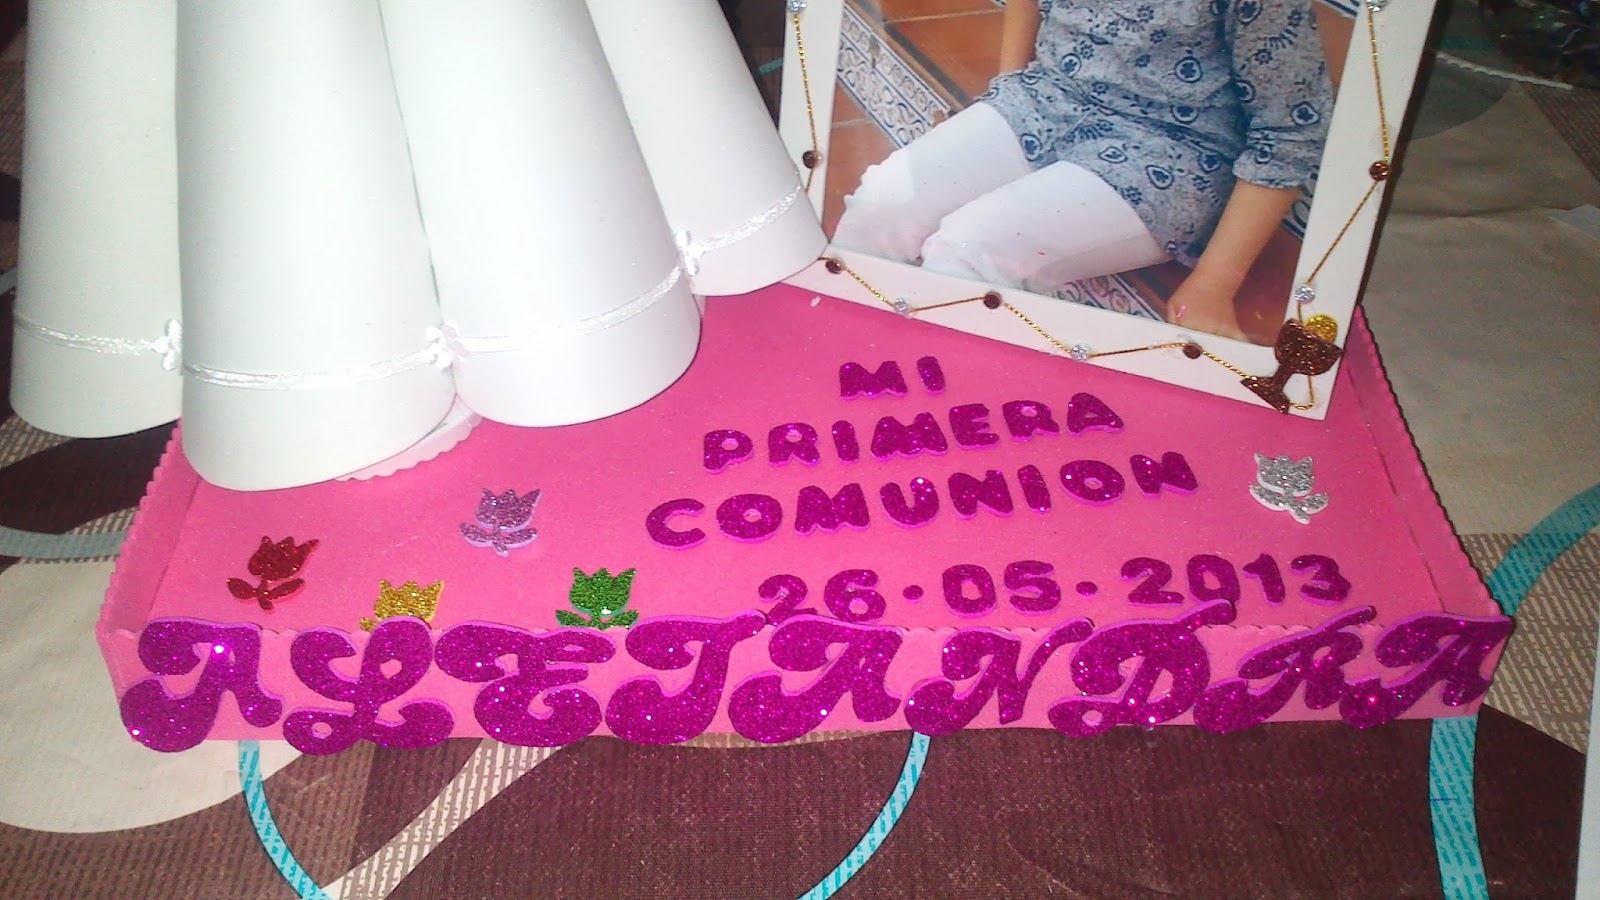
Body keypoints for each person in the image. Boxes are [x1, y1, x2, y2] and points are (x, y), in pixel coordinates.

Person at [831, 0, 1335, 340]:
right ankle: (838, 372)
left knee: (969, 251)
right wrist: (1007, 92)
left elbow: (1291, 129)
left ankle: (932, 419)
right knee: (881, 206)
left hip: (1171, 146)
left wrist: (1214, 283)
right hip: (1047, 94)